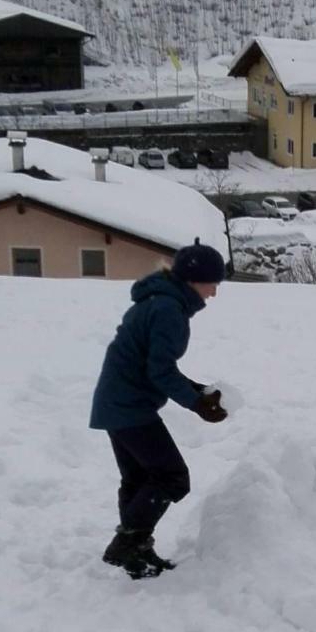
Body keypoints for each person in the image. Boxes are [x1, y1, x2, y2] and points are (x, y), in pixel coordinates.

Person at [89, 239, 229, 579]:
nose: (213, 293)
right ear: (194, 280)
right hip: (129, 407)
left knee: (138, 479)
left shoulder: (158, 300)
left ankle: (137, 554)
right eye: (213, 283)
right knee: (172, 477)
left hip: (116, 402)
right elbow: (160, 370)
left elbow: (155, 363)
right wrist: (197, 404)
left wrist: (198, 390)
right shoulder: (169, 310)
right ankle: (127, 543)